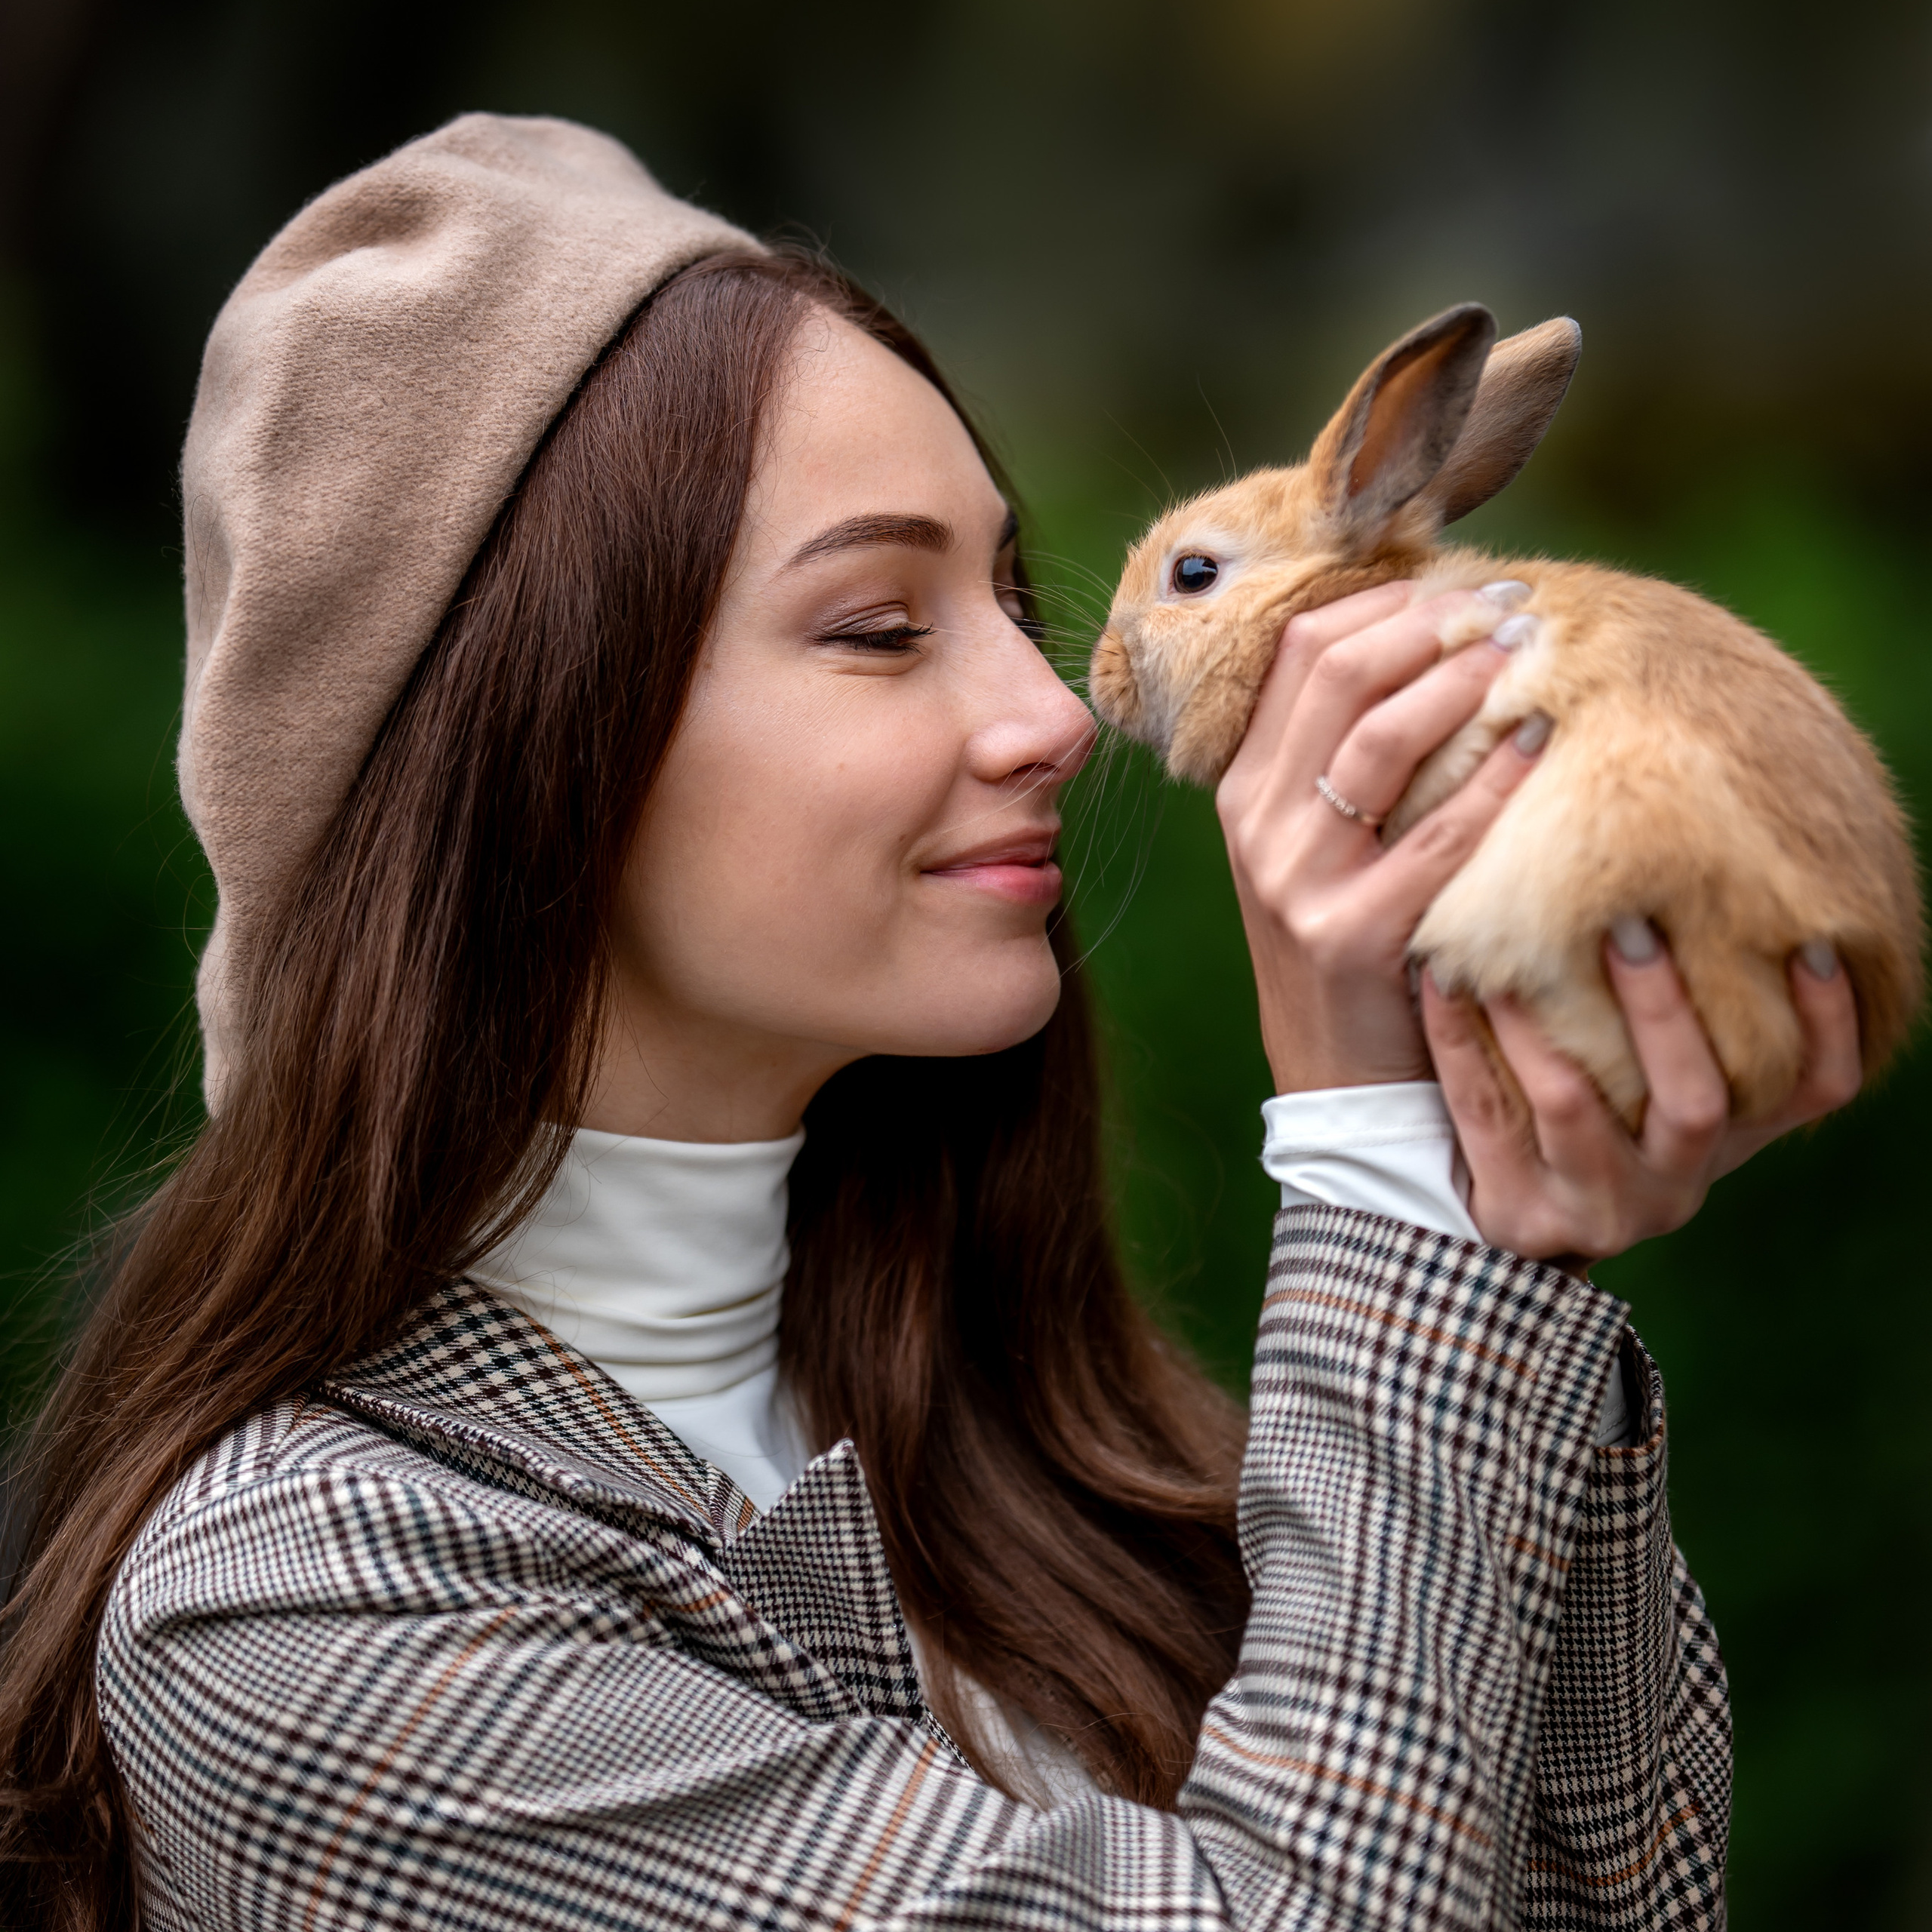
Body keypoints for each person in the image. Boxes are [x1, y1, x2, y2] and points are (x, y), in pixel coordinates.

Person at [0, 115, 1859, 1931]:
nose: (1049, 714)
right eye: (881, 625)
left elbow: (1604, 1895)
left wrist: (1488, 1212)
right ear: (531, 746)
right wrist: (1373, 1171)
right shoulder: (304, 1617)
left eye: (1007, 595)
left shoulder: (1021, 1426)